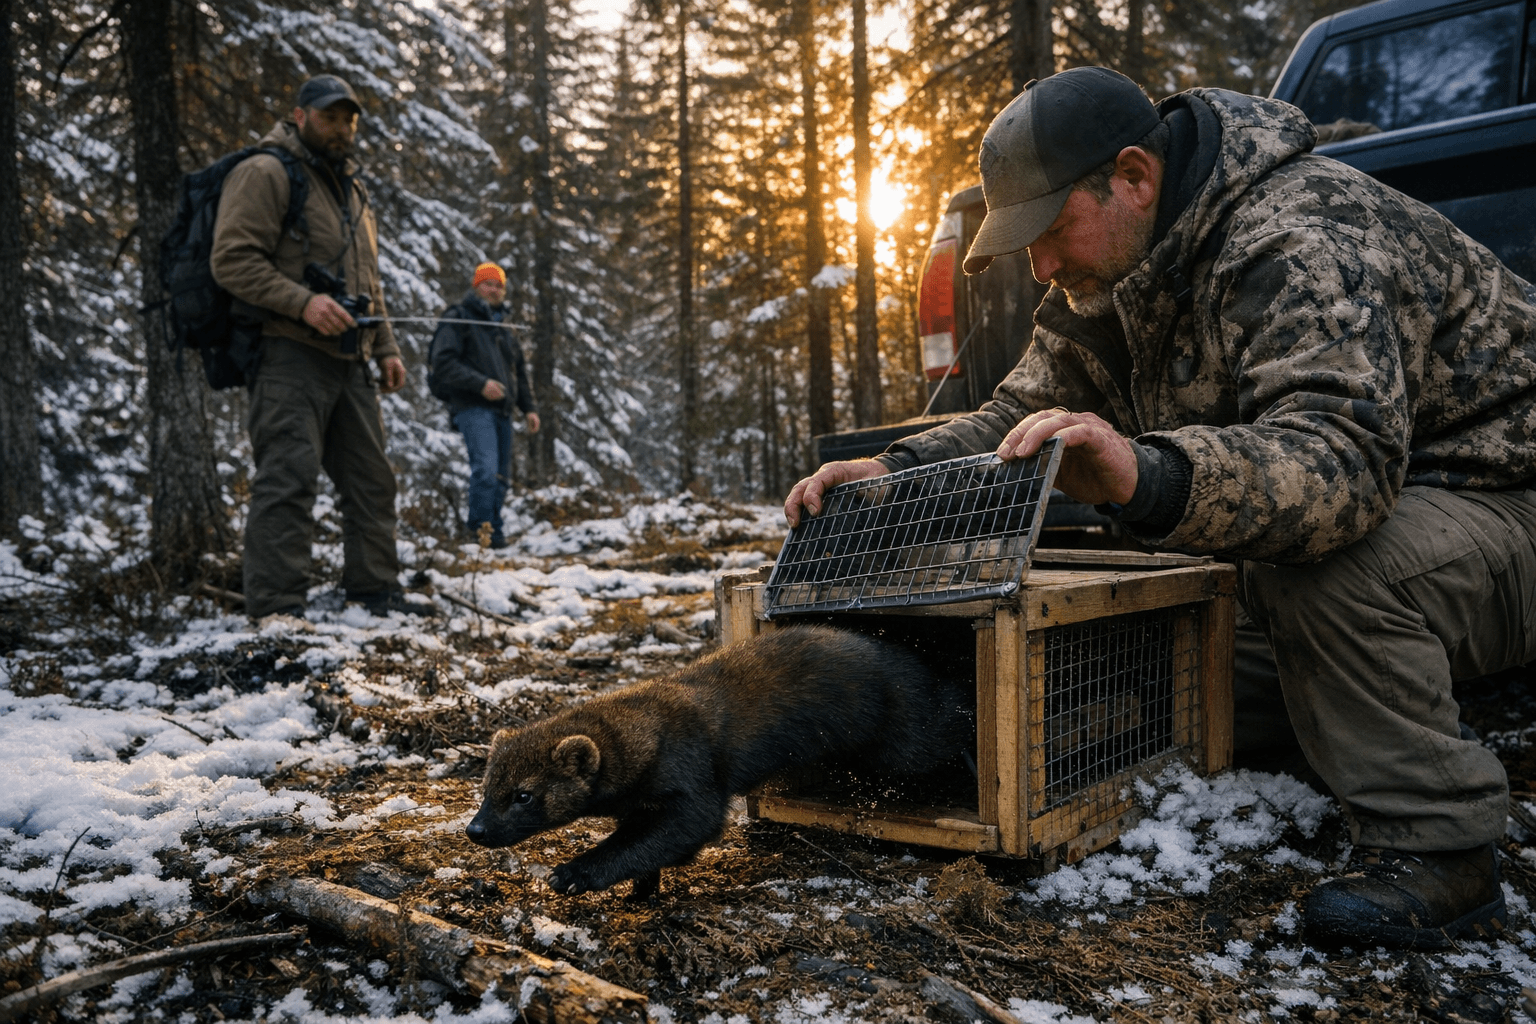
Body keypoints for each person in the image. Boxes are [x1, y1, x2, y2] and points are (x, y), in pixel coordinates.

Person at [785, 67, 1536, 950]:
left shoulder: (1299, 234)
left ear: (1134, 176)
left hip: (1501, 492)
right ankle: (1335, 732)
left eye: (1053, 230)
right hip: (1416, 507)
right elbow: (1010, 419)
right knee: (1178, 639)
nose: (1041, 266)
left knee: (1328, 575)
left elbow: (1344, 466)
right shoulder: (1118, 267)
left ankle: (1440, 845)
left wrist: (1144, 476)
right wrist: (891, 468)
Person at [212, 74, 435, 620]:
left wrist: (386, 347)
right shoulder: (265, 172)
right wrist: (303, 303)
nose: (340, 128)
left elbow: (368, 280)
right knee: (288, 481)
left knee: (372, 482)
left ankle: (375, 594)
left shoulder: (351, 189)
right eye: (329, 117)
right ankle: (278, 613)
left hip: (350, 361)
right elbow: (232, 260)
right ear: (300, 115)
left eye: (348, 120)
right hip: (287, 354)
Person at [428, 262, 540, 548]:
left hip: (502, 410)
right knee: (486, 472)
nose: (493, 290)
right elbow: (442, 363)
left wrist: (529, 408)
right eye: (488, 284)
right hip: (472, 407)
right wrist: (481, 384)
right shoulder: (459, 317)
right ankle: (478, 533)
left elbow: (519, 374)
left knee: (502, 477)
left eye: (498, 285)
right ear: (476, 286)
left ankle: (493, 533)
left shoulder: (504, 328)